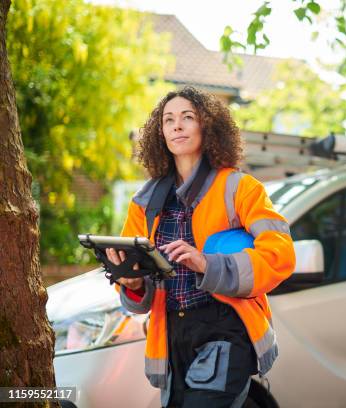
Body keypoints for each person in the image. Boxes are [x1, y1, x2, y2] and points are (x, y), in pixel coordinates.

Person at [104, 86, 295, 407]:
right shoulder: (144, 203)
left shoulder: (241, 188)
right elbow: (140, 300)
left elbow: (280, 255)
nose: (176, 125)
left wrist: (208, 264)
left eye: (187, 117)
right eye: (168, 120)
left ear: (207, 127)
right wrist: (133, 283)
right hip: (172, 332)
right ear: (160, 133)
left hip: (226, 327)